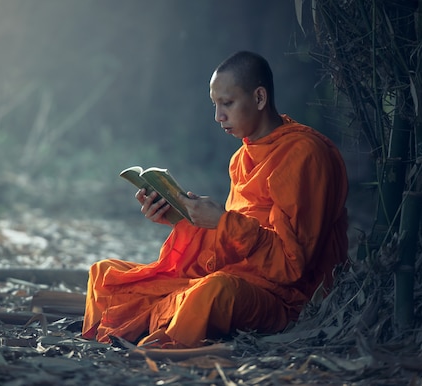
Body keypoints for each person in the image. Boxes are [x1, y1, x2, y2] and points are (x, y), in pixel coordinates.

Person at [82, 51, 348, 348]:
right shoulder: (241, 159)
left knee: (212, 291)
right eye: (215, 105)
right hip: (238, 275)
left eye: (227, 103)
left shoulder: (305, 155)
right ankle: (109, 342)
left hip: (286, 298)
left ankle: (161, 354)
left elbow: (291, 266)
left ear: (259, 98)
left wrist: (222, 221)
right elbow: (231, 244)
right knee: (104, 273)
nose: (218, 116)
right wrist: (183, 217)